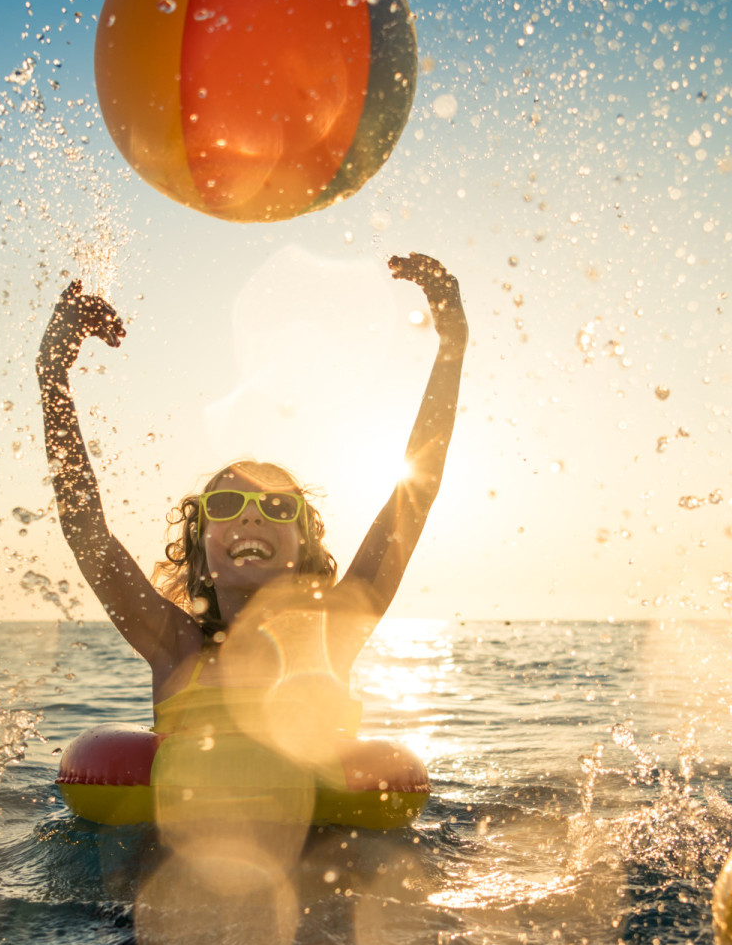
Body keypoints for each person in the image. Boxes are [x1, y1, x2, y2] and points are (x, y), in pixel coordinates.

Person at [35, 253, 467, 718]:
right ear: (199, 544)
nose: (251, 513)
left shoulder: (336, 630)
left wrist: (452, 346)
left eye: (279, 506)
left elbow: (416, 493)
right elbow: (86, 531)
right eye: (223, 503)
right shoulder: (173, 645)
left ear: (305, 545)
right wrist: (51, 375)